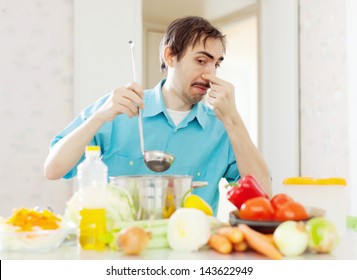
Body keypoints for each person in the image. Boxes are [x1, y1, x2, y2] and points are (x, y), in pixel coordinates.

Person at [44, 16, 272, 215]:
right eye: (201, 61)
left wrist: (233, 120)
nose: (210, 74)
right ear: (170, 55)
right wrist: (98, 118)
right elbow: (54, 169)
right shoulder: (117, 109)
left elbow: (264, 197)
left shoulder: (223, 127)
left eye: (216, 64)